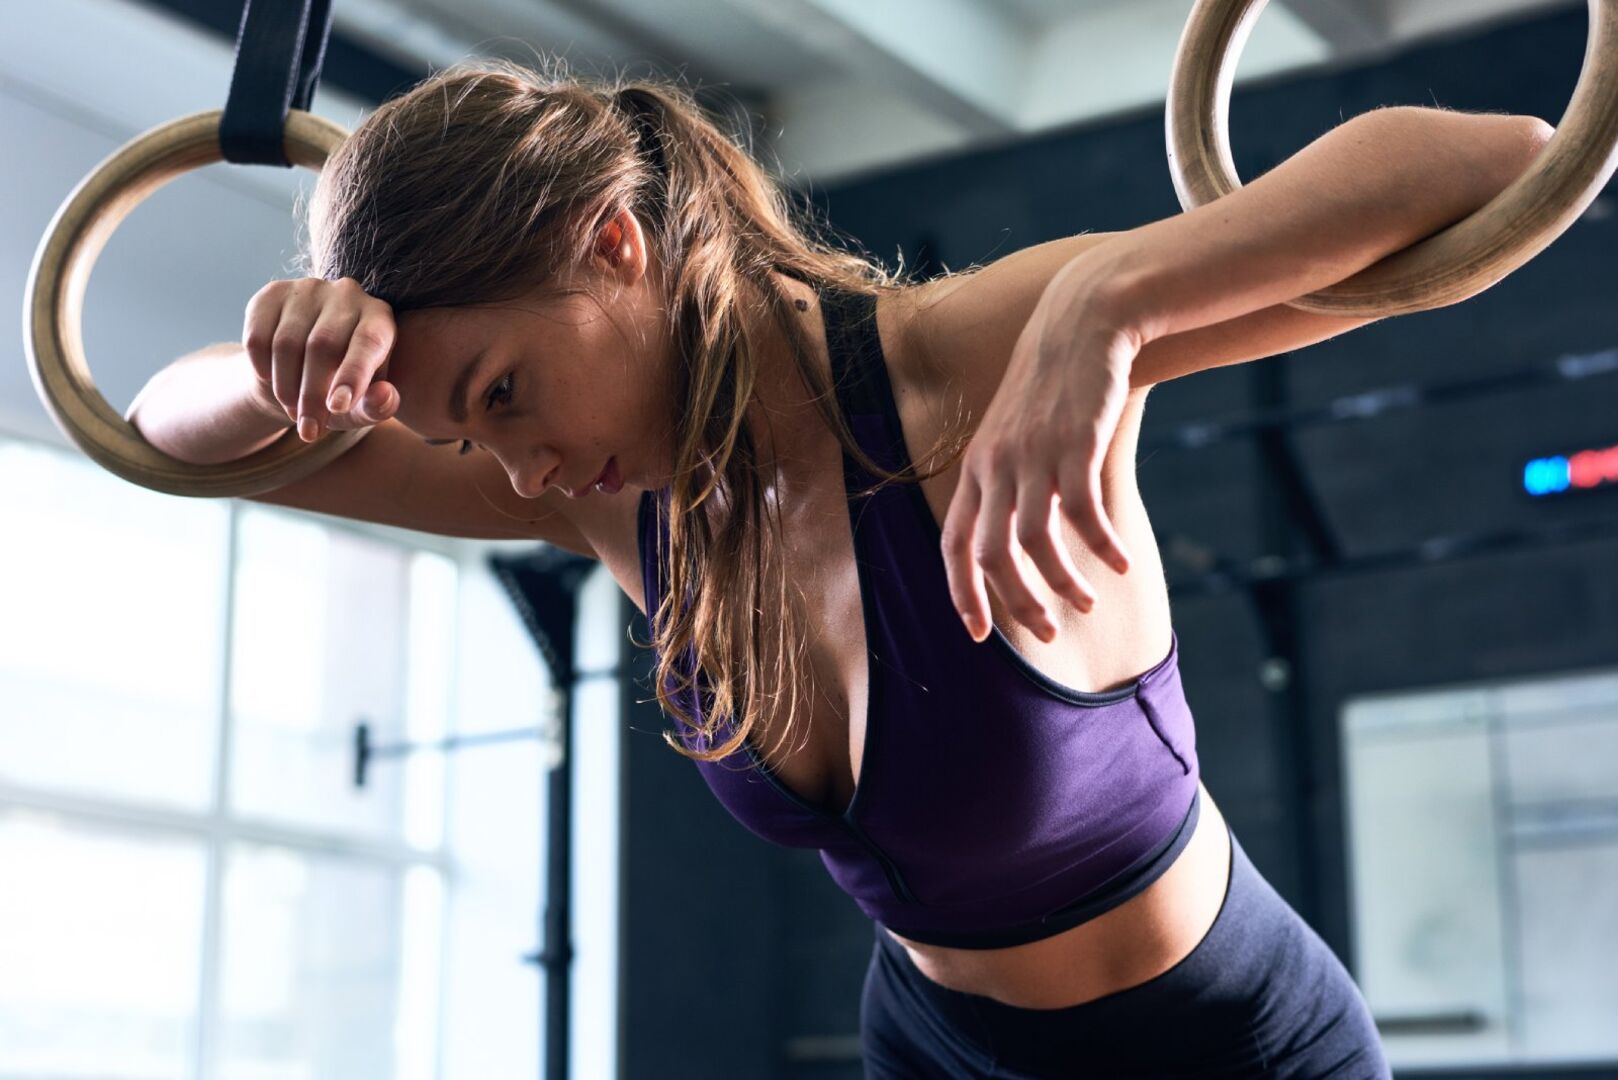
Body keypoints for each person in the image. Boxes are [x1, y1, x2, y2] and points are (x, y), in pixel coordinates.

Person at [127, 58, 1552, 1076]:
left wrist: (1105, 309)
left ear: (615, 246)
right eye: (466, 436)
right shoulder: (615, 512)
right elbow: (160, 438)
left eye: (503, 393)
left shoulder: (959, 364)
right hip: (926, 1046)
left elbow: (1497, 163)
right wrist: (285, 369)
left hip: (1222, 1046)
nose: (516, 471)